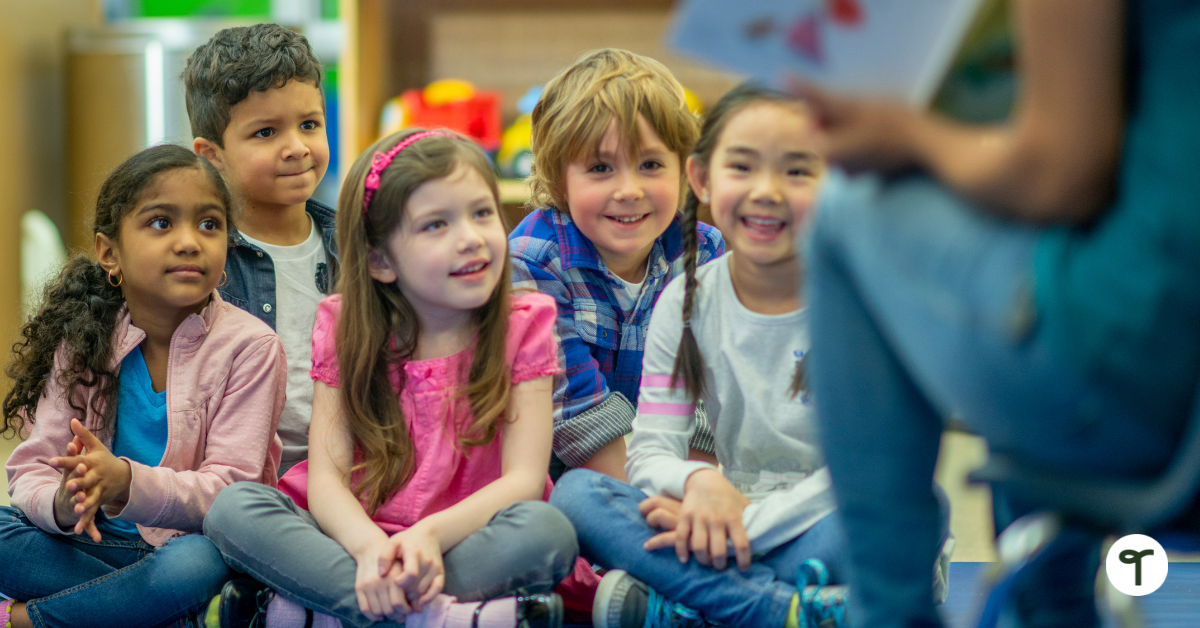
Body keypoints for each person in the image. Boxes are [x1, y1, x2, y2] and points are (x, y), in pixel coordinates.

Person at [797, 1, 1200, 627]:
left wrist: (908, 133)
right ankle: (1051, 604)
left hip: (1147, 372)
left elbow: (1059, 174)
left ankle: (890, 614)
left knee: (844, 211)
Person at [551, 84, 951, 628]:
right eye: (742, 167)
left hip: (820, 520)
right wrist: (699, 484)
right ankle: (784, 608)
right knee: (578, 496)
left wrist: (749, 527)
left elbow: (866, 469)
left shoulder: (866, 302)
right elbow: (650, 455)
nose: (767, 191)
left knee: (914, 508)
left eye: (797, 171)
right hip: (720, 515)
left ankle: (697, 601)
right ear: (702, 179)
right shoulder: (685, 301)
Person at [201, 129, 578, 628]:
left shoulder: (524, 322)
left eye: (481, 213)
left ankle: (329, 613)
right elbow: (328, 479)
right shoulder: (345, 326)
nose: (470, 237)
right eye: (435, 225)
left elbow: (524, 480)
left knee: (546, 531)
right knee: (233, 509)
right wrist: (371, 550)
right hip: (355, 538)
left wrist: (429, 536)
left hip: (463, 538)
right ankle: (435, 617)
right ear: (379, 261)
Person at [0, 145, 287, 628]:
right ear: (109, 252)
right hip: (93, 543)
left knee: (197, 567)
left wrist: (125, 482)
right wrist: (62, 503)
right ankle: (160, 613)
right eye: (161, 223)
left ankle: (28, 620)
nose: (190, 241)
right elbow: (31, 467)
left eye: (209, 224)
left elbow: (230, 492)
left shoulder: (252, 346)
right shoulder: (84, 336)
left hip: (189, 547)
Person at [509, 48, 724, 483]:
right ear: (558, 178)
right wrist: (670, 500)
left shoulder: (702, 252)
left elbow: (710, 394)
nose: (629, 189)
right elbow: (577, 415)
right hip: (574, 475)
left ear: (685, 173)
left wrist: (698, 495)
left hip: (685, 474)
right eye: (601, 167)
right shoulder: (533, 260)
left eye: (650, 164)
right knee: (580, 495)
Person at [185, 22, 338, 474]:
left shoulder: (356, 244)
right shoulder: (197, 259)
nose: (296, 147)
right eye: (266, 133)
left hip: (347, 472)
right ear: (211, 155)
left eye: (309, 125)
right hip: (242, 479)